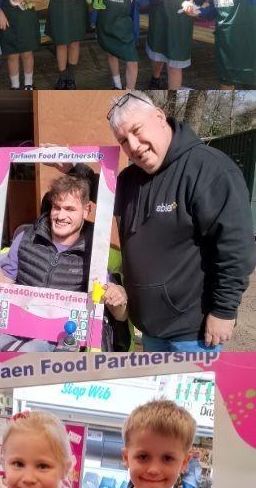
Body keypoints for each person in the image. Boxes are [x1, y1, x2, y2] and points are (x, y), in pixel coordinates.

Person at [107, 90, 254, 350]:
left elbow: (236, 248)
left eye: (137, 130)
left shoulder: (209, 169)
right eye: (123, 141)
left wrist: (223, 311)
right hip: (150, 329)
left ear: (160, 117)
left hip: (193, 334)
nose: (133, 145)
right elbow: (102, 193)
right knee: (157, 393)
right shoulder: (129, 179)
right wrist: (75, 170)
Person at [0, 171, 128, 351]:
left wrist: (118, 297)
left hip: (60, 338)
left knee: (28, 356)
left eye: (70, 209)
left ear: (86, 210)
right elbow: (1, 284)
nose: (60, 216)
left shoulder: (95, 251)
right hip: (17, 326)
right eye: (57, 207)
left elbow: (119, 316)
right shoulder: (26, 238)